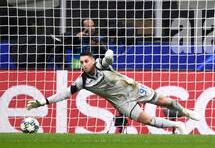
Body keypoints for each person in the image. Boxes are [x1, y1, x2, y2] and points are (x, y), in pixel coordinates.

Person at [27, 50, 201, 134]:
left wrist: (109, 54)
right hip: (122, 103)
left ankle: (186, 112)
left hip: (132, 88)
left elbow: (108, 57)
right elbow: (65, 93)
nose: (83, 64)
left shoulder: (102, 65)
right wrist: (43, 101)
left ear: (93, 61)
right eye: (80, 62)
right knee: (149, 121)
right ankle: (178, 125)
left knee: (166, 102)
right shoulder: (83, 81)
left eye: (86, 61)